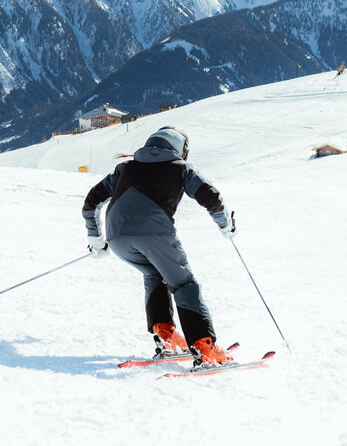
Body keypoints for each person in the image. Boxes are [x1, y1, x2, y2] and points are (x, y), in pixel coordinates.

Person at [82, 125, 235, 367]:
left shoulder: (125, 168)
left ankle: (167, 338)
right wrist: (226, 225)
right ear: (181, 150)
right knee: (184, 284)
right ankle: (205, 350)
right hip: (155, 235)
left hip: (117, 237)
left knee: (154, 273)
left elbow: (91, 202)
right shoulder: (181, 168)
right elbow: (211, 198)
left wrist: (97, 241)